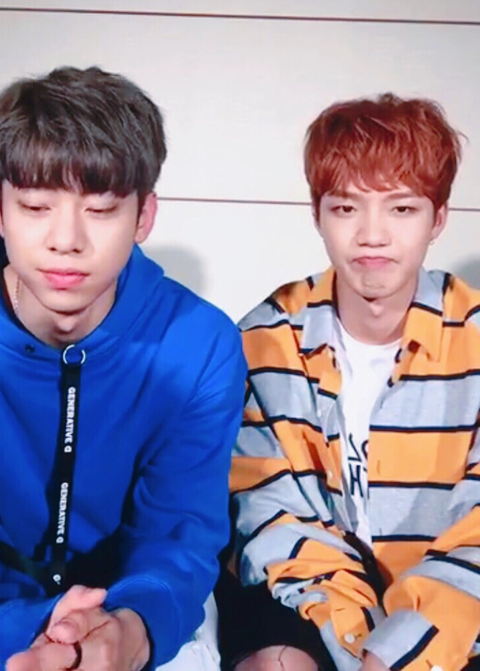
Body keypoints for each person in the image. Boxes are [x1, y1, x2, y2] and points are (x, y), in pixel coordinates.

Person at [218, 94, 480, 671]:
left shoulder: (475, 338)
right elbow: (271, 515)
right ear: (318, 215)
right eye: (345, 208)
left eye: (401, 209)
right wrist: (357, 643)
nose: (372, 235)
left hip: (455, 607)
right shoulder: (266, 338)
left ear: (438, 218)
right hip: (308, 597)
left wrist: (398, 653)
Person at [0, 65, 246, 671]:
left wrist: (129, 633)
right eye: (35, 205)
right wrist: (27, 631)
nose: (65, 239)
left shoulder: (200, 345)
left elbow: (180, 535)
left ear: (144, 217)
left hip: (130, 606)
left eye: (102, 209)